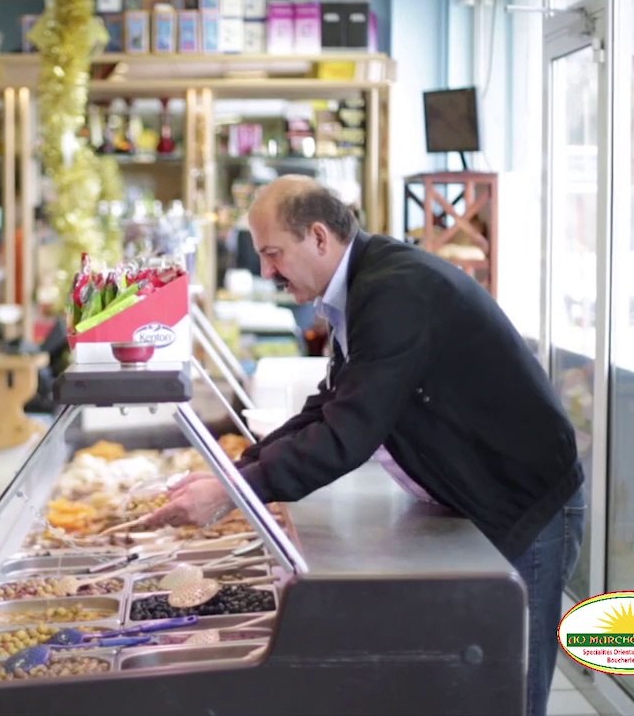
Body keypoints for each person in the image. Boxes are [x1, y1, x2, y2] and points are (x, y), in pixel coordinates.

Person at [145, 175, 586, 716]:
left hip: (525, 500)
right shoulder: (363, 286)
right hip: (476, 495)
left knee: (510, 692)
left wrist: (234, 491)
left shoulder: (395, 290)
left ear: (318, 237)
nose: (266, 271)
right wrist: (232, 474)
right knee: (469, 686)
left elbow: (348, 433)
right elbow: (329, 404)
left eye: (273, 253)